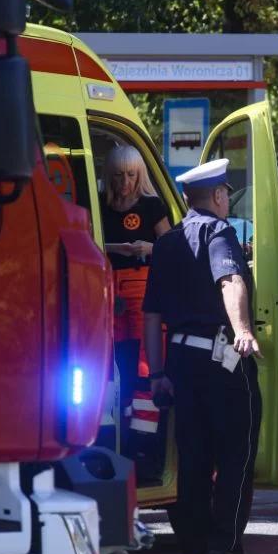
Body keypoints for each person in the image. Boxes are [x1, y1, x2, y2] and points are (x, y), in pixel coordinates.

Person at [142, 158, 264, 554]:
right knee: (236, 457)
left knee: (193, 460)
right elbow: (230, 280)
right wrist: (244, 329)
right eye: (227, 193)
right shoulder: (219, 231)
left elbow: (152, 315)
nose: (228, 199)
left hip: (179, 362)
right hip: (221, 362)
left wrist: (157, 374)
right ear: (216, 196)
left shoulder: (168, 242)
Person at [99, 145, 171, 455]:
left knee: (146, 363)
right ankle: (115, 433)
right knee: (113, 363)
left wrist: (149, 248)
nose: (125, 182)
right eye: (118, 176)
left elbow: (172, 247)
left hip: (141, 289)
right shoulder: (99, 206)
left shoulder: (152, 206)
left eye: (131, 175)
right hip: (105, 292)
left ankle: (145, 440)